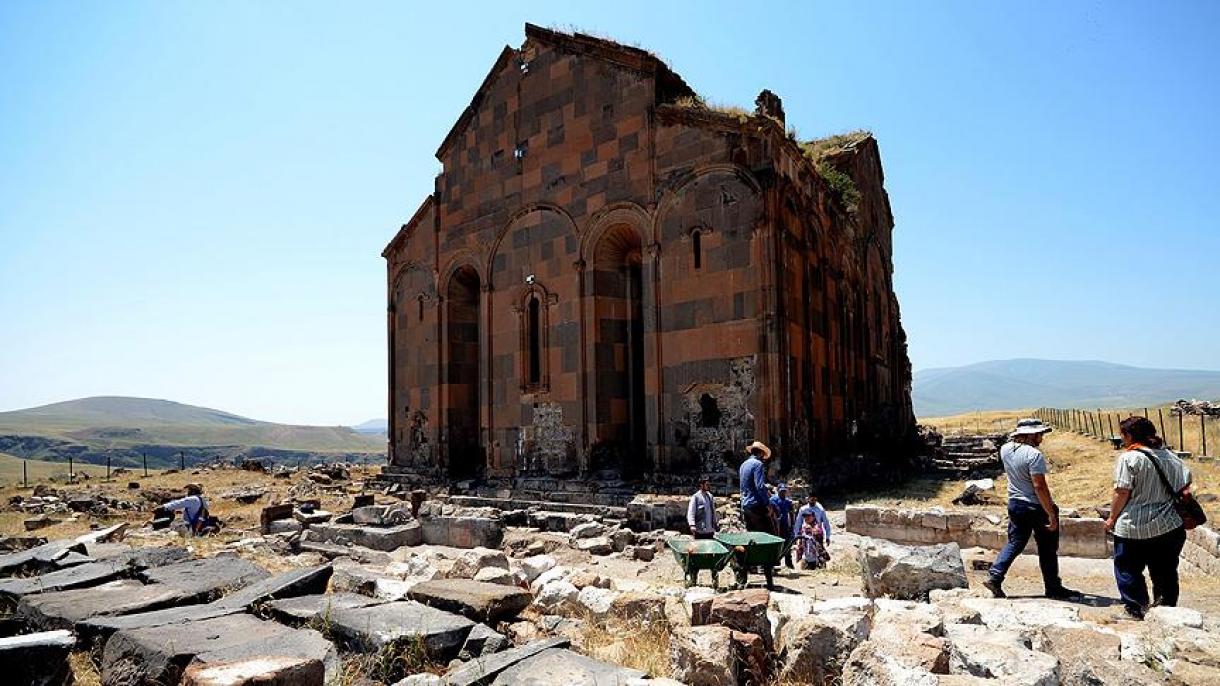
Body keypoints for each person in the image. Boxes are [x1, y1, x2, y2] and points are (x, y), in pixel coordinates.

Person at [1104, 416, 1192, 620]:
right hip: (1168, 525)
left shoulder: (1129, 459)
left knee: (1127, 569)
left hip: (1133, 526)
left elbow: (1122, 491)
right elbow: (1186, 484)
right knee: (1165, 572)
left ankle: (1136, 610)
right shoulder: (1171, 457)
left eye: (1122, 435)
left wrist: (1111, 518)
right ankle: (1166, 611)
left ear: (1129, 435)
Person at [984, 418, 1081, 600]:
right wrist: (1051, 513)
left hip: (1015, 502)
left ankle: (995, 575)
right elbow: (1039, 486)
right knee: (1047, 548)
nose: (1041, 438)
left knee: (1015, 542)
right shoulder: (1034, 455)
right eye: (1040, 434)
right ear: (1031, 435)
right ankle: (1053, 587)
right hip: (1035, 506)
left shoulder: (1005, 449)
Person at [738, 441, 776, 535]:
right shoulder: (758, 464)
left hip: (746, 505)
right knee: (766, 535)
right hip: (756, 506)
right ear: (761, 453)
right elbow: (759, 486)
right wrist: (768, 504)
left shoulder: (743, 465)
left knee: (751, 536)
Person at [769, 484, 796, 569]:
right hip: (775, 525)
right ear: (778, 490)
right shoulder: (772, 500)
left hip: (785, 525)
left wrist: (792, 524)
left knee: (787, 544)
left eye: (784, 491)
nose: (783, 493)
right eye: (781, 491)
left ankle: (789, 563)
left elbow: (791, 513)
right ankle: (776, 562)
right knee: (776, 544)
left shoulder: (788, 501)